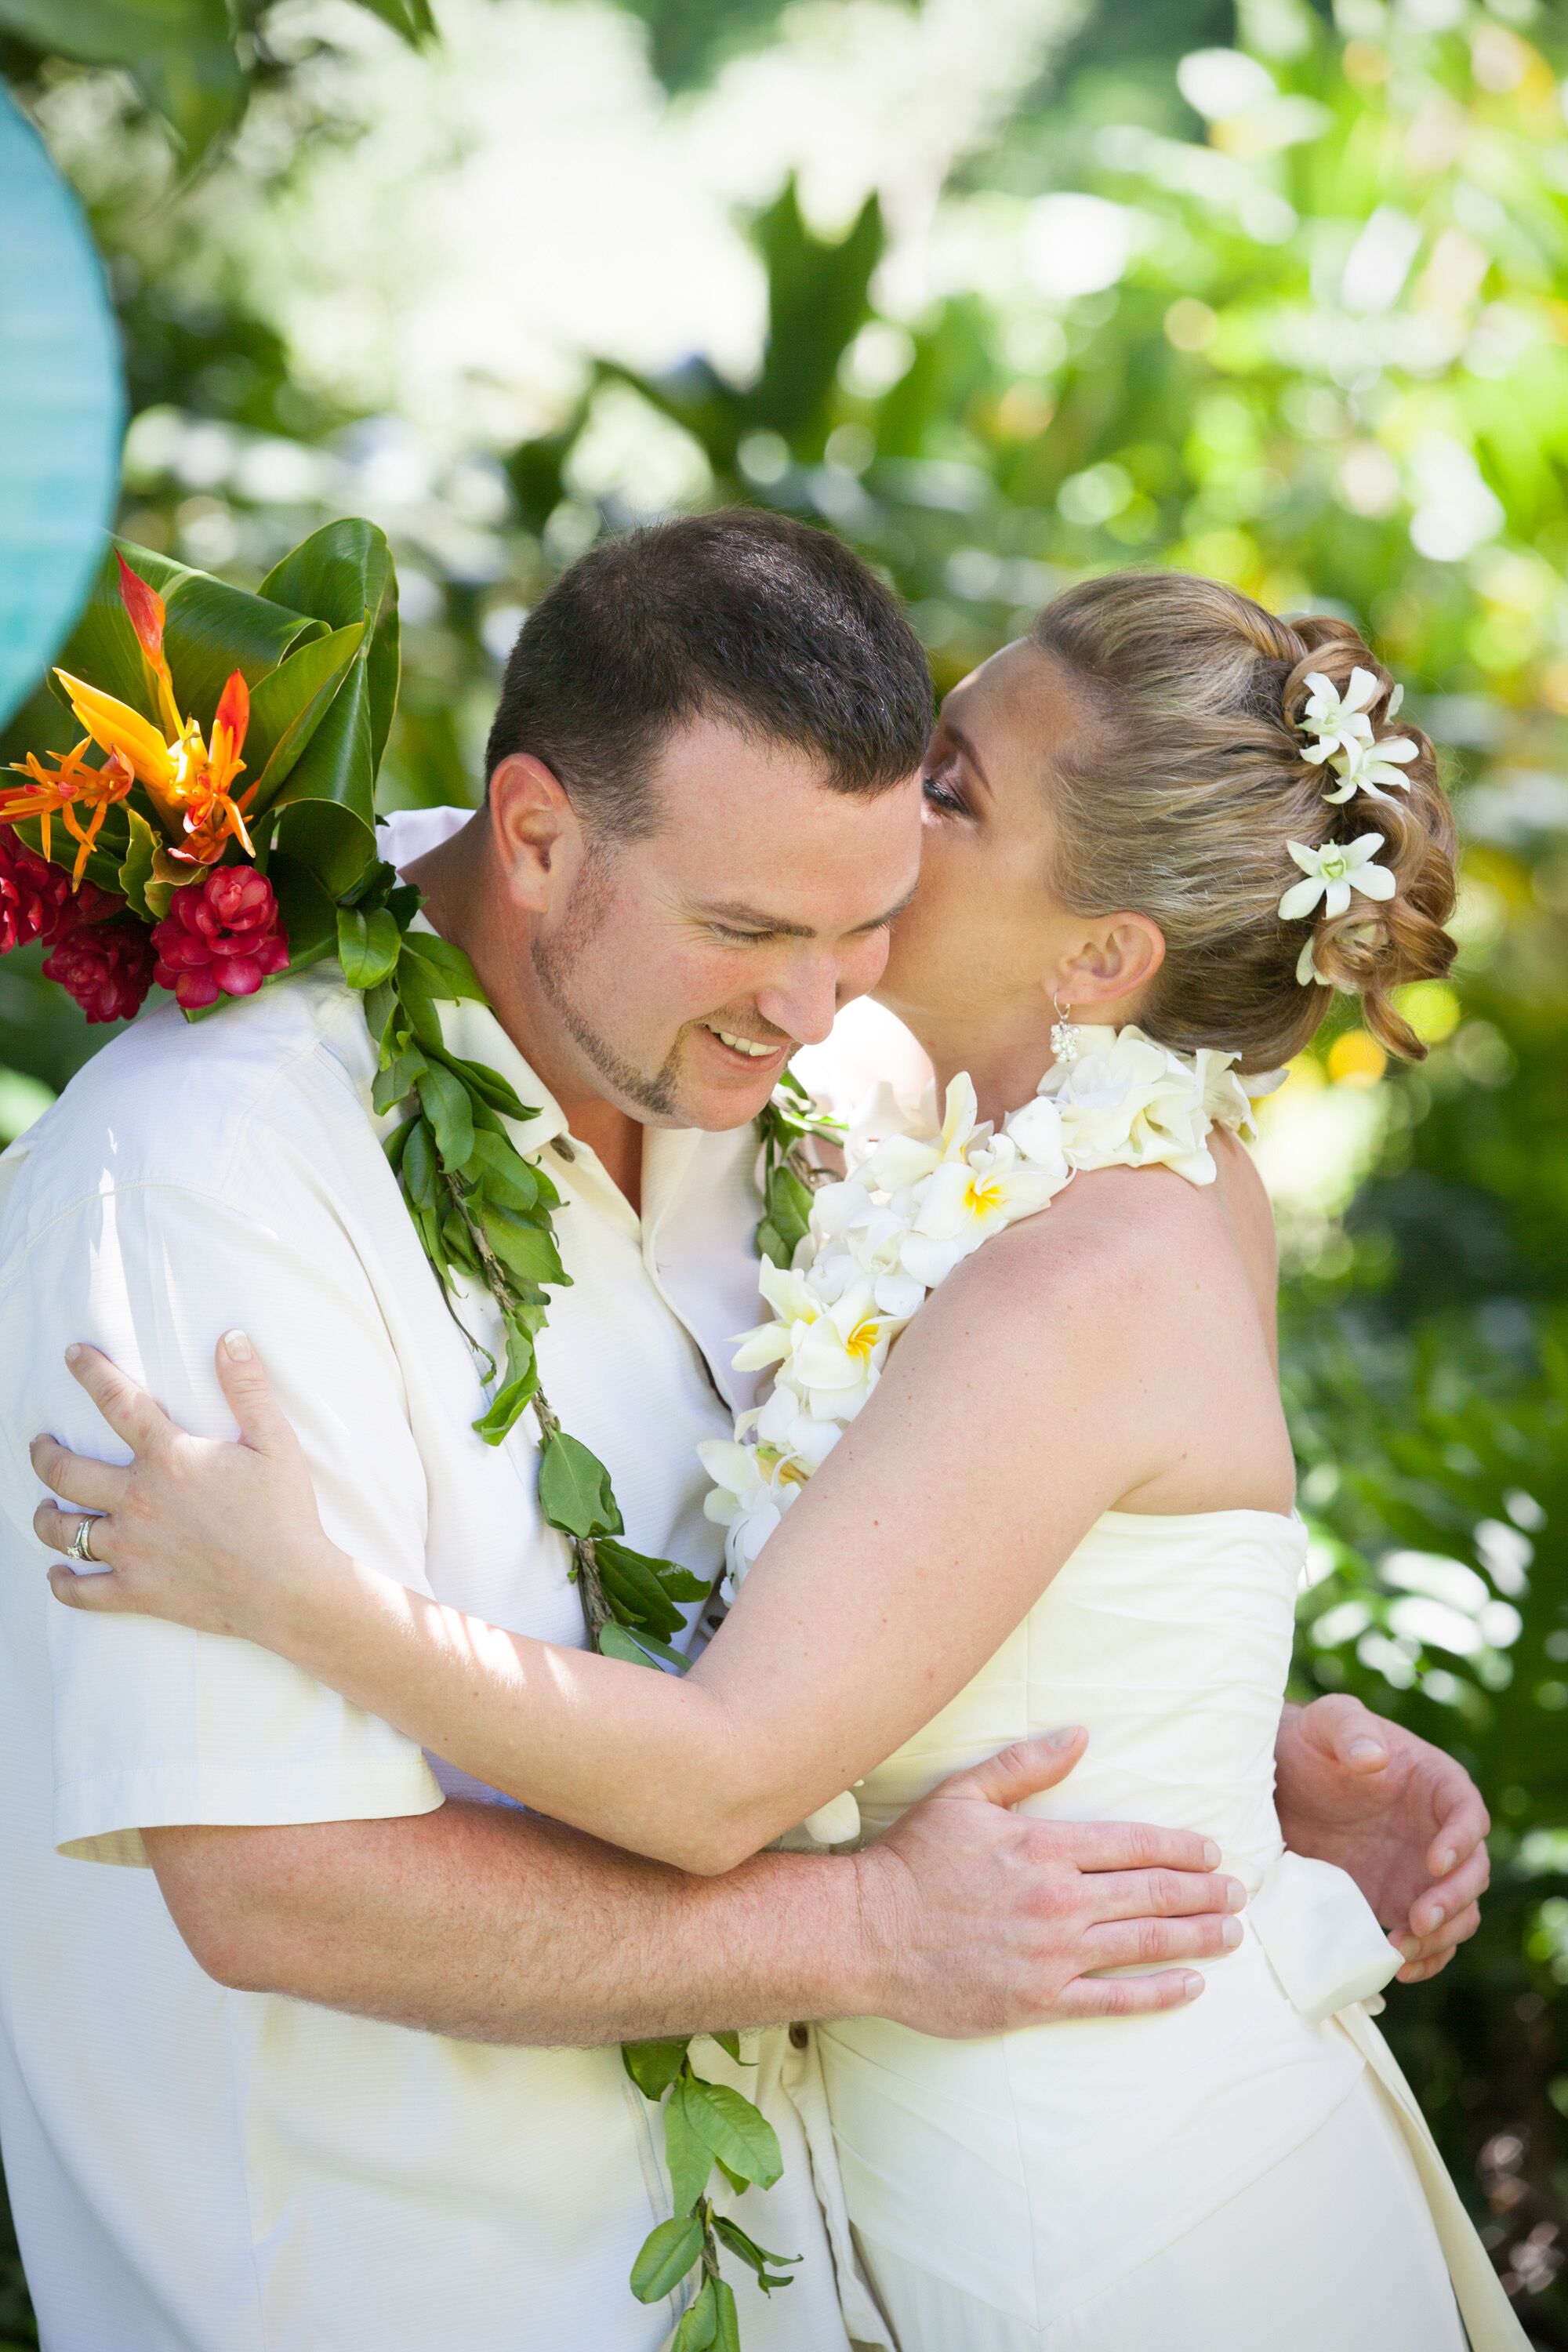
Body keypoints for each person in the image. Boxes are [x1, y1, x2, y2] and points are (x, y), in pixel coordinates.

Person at [24, 537, 1504, 2351]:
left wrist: (1193, 1755)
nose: (812, 1002)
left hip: (973, 2249)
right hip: (425, 2290)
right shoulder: (219, 1163)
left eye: (870, 900)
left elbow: (830, 1637)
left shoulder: (838, 1091)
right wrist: (874, 1925)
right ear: (542, 834)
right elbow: (273, 1885)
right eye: (750, 930)